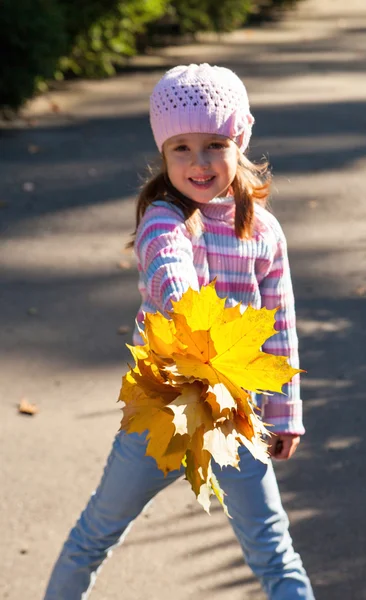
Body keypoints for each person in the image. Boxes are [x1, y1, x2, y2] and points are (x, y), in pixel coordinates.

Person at [44, 63, 315, 600]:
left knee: (273, 549)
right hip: (161, 412)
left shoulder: (264, 232)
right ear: (163, 155)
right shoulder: (164, 220)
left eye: (214, 144)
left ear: (239, 141)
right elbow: (169, 269)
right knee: (95, 532)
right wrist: (190, 311)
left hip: (236, 416)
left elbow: (280, 325)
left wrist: (284, 413)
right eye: (181, 148)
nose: (199, 162)